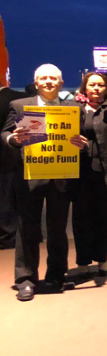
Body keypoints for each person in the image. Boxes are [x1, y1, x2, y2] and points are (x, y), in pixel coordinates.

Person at [2, 64, 83, 301]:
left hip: (61, 174)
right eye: (44, 78)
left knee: (58, 229)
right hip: (29, 175)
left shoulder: (73, 109)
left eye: (53, 78)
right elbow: (4, 134)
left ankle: (57, 275)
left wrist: (82, 144)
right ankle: (26, 279)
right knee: (27, 228)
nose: (48, 81)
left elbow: (81, 137)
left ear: (60, 82)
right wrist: (13, 140)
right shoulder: (20, 106)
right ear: (36, 82)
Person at [72, 72, 107, 283]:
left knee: (104, 217)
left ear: (106, 88)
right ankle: (82, 262)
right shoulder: (74, 108)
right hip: (80, 172)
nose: (96, 88)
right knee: (81, 218)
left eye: (101, 85)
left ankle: (102, 259)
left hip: (105, 171)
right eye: (92, 85)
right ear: (85, 87)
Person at [0, 83, 26, 250]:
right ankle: (7, 236)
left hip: (8, 154)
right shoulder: (17, 98)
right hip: (8, 155)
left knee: (6, 196)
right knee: (6, 198)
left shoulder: (16, 100)